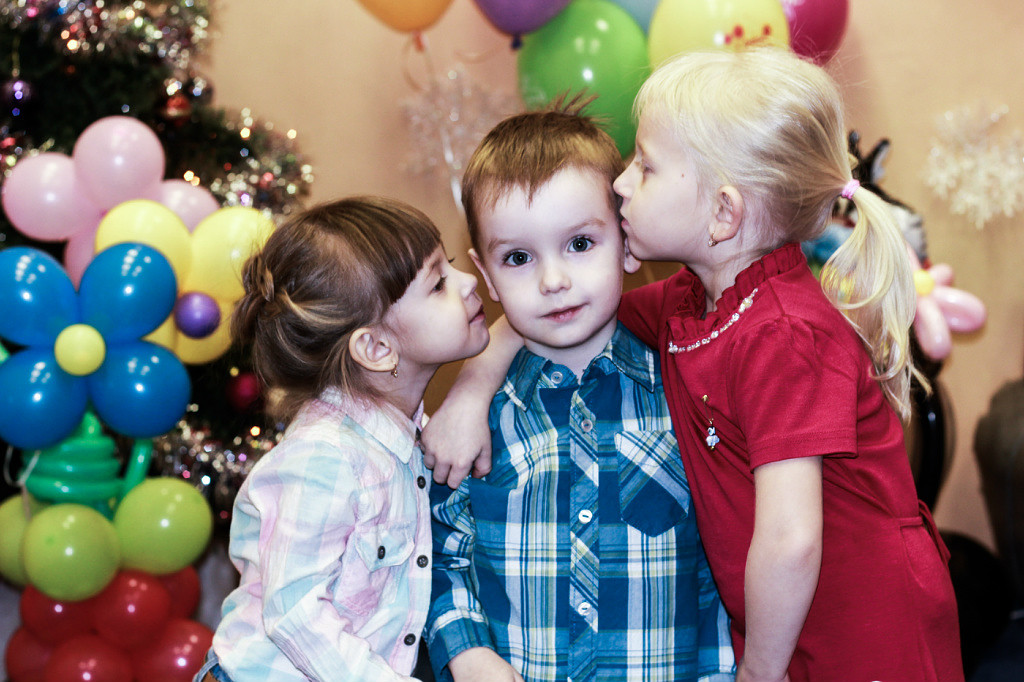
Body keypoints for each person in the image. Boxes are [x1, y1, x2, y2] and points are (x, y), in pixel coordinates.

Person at [423, 49, 964, 682]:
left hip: (868, 631)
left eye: (646, 166)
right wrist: (471, 389)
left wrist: (757, 674)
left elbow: (791, 540)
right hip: (784, 627)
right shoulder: (690, 306)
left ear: (723, 213)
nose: (622, 184)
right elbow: (548, 320)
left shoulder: (784, 335)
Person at [425, 98, 736, 682]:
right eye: (518, 257)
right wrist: (467, 651)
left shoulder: (685, 393)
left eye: (580, 244)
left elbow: (722, 571)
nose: (553, 280)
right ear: (486, 274)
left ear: (625, 239)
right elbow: (439, 553)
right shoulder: (473, 422)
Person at [193, 197, 490, 682]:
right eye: (438, 283)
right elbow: (296, 613)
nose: (468, 281)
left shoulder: (402, 435)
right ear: (375, 347)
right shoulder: (324, 456)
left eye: (451, 265)